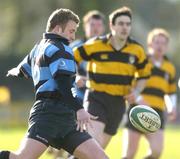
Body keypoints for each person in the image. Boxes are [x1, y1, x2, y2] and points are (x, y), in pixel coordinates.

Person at [0, 8, 108, 159]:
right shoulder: (61, 48)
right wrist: (79, 109)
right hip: (49, 115)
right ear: (58, 28)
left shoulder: (38, 48)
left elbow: (21, 71)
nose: (73, 36)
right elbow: (63, 84)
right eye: (71, 31)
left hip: (65, 118)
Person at [73, 6, 151, 149]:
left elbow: (144, 75)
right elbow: (71, 58)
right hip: (96, 98)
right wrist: (76, 75)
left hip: (119, 103)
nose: (124, 28)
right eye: (121, 24)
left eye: (128, 24)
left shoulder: (137, 50)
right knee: (93, 146)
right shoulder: (95, 44)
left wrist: (137, 91)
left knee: (98, 150)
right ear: (111, 25)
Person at [122, 28, 177, 159]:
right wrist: (139, 98)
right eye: (157, 42)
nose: (160, 46)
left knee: (157, 151)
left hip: (157, 113)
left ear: (167, 46)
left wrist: (172, 107)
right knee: (130, 153)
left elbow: (171, 92)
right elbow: (127, 83)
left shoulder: (170, 67)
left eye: (163, 43)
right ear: (150, 44)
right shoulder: (142, 61)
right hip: (137, 109)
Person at [71, 10, 105, 104]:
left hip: (102, 99)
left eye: (99, 25)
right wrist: (76, 77)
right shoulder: (75, 47)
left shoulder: (110, 49)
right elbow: (66, 68)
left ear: (103, 28)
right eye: (92, 25)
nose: (95, 28)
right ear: (85, 27)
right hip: (79, 97)